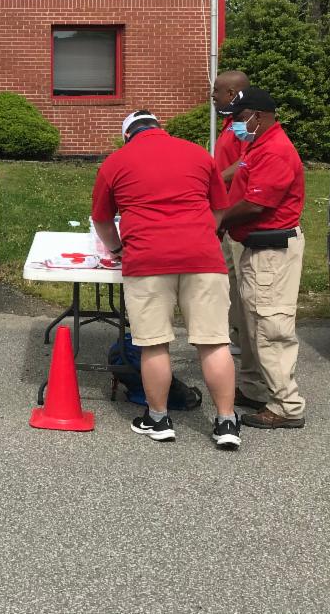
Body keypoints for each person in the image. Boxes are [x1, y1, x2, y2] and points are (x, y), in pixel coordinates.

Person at [91, 110, 240, 449]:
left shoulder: (116, 161)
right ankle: (226, 421)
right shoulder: (197, 154)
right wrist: (204, 234)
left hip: (147, 258)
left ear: (128, 134)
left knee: (154, 342)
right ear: (161, 129)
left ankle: (158, 419)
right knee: (214, 341)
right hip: (202, 257)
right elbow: (219, 207)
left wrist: (118, 249)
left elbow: (101, 219)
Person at [217, 88, 308, 430]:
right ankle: (256, 388)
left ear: (259, 115)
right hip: (257, 248)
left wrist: (218, 218)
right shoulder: (258, 145)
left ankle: (286, 405)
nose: (237, 127)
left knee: (271, 326)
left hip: (272, 251)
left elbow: (256, 204)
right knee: (254, 323)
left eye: (240, 119)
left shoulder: (275, 150)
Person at [212, 69, 250, 360]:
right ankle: (235, 333)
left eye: (216, 91)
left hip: (240, 213)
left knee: (238, 279)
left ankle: (244, 338)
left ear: (231, 94)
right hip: (224, 212)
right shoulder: (230, 124)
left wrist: (214, 180)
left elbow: (248, 161)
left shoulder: (247, 125)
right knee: (228, 277)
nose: (212, 97)